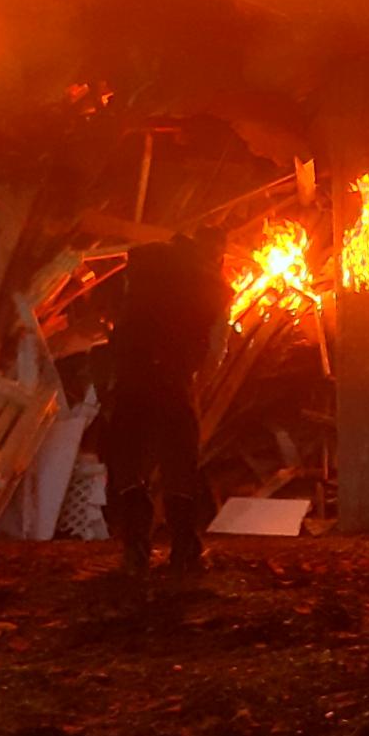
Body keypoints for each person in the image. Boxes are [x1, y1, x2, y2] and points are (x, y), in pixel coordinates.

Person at [104, 228, 228, 578]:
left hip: (131, 378)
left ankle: (135, 547)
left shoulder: (145, 267)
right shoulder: (209, 284)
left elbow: (115, 322)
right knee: (179, 460)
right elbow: (215, 345)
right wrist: (194, 380)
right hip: (173, 380)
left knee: (129, 461)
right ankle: (185, 548)